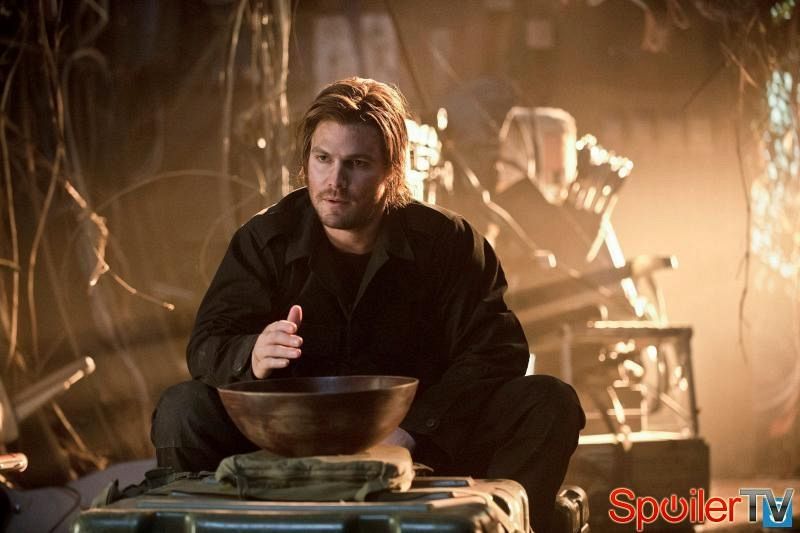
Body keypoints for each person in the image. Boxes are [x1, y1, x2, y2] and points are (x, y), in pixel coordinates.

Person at [151, 77, 585, 533]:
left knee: (547, 401)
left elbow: (496, 351)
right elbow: (207, 345)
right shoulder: (265, 240)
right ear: (306, 160)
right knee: (183, 407)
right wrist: (251, 353)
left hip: (426, 443)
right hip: (287, 443)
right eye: (323, 159)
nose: (334, 181)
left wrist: (413, 432)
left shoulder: (447, 242)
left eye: (356, 164)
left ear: (391, 170)